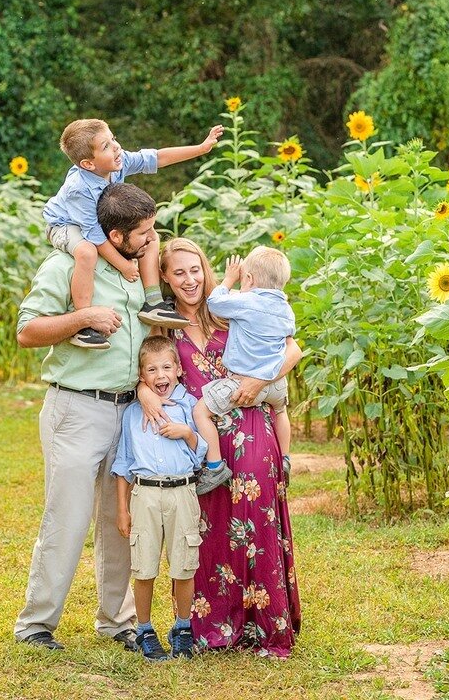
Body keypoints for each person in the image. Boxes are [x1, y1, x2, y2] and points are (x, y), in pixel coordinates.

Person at [13, 182, 162, 652]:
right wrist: (83, 318)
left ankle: (117, 622)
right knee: (69, 519)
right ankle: (37, 624)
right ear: (114, 236)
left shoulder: (138, 272)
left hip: (129, 412)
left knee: (122, 521)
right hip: (77, 408)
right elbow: (28, 331)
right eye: (144, 232)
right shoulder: (65, 265)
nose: (152, 238)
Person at [138, 237, 302, 658]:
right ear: (166, 279)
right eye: (178, 272)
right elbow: (145, 369)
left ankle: (264, 625)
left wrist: (260, 382)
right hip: (202, 443)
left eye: (195, 269)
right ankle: (215, 625)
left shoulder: (228, 306)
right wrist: (144, 392)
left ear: (206, 269)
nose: (190, 279)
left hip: (251, 428)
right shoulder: (162, 324)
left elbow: (293, 349)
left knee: (256, 523)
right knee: (208, 529)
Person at [43, 118, 223, 349]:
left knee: (150, 236)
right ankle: (84, 323)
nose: (116, 147)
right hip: (65, 224)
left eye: (113, 139)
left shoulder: (118, 162)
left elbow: (157, 158)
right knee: (86, 253)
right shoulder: (78, 189)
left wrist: (200, 148)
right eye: (106, 146)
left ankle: (153, 302)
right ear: (88, 164)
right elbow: (94, 234)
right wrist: (123, 265)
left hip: (100, 222)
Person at [112, 335, 207, 661]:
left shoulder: (189, 407)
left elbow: (202, 456)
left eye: (167, 367)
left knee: (184, 566)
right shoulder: (132, 414)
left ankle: (182, 627)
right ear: (142, 376)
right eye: (152, 369)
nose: (161, 375)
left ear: (179, 369)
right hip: (146, 495)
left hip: (183, 493)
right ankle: (145, 630)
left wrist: (188, 434)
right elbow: (123, 465)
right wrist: (122, 510)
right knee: (145, 568)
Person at [192, 248, 296, 495]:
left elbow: (215, 303)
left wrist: (228, 280)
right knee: (281, 410)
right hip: (275, 383)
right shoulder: (286, 309)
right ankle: (286, 458)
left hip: (241, 383)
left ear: (248, 279)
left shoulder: (247, 302)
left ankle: (215, 466)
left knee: (200, 412)